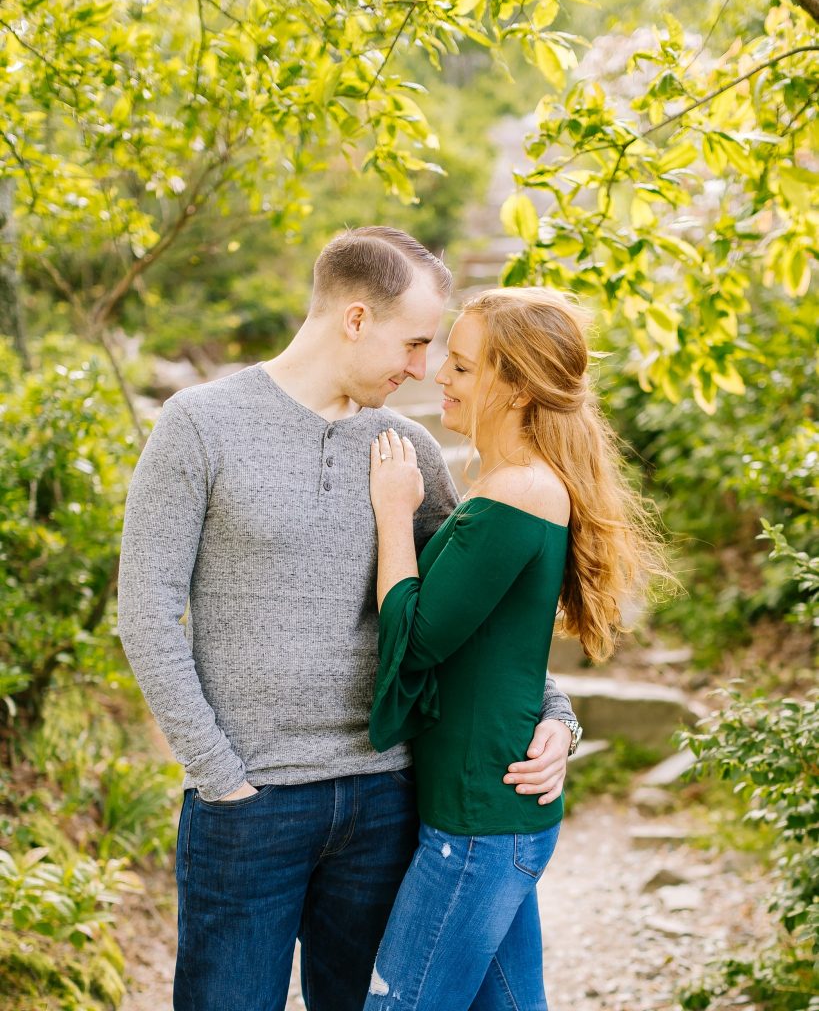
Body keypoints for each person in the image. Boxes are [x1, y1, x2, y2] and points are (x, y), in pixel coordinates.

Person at [116, 228, 582, 1011]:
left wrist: (555, 716)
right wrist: (219, 776)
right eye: (413, 343)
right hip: (250, 802)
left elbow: (472, 618)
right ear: (356, 319)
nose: (420, 369)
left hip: (386, 799)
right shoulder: (198, 425)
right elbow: (147, 613)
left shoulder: (409, 448)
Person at [363, 286, 670, 1011]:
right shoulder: (506, 487)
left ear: (515, 387)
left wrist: (392, 516)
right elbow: (501, 654)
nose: (440, 374)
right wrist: (560, 719)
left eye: (464, 368)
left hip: (477, 826)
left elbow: (415, 640)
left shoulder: (520, 493)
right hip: (488, 816)